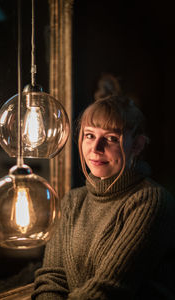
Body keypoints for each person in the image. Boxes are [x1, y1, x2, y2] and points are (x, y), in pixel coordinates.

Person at [32, 95, 175, 300]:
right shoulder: (72, 201)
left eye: (111, 138)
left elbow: (109, 289)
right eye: (89, 135)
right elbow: (51, 278)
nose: (96, 148)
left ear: (137, 145)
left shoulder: (151, 201)